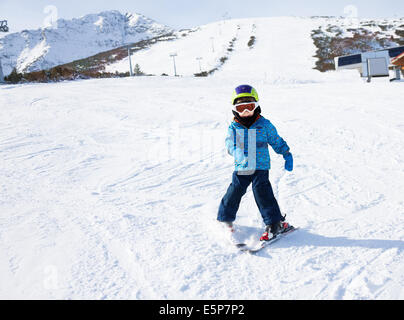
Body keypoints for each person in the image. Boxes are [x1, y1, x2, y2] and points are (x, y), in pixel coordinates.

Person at [217, 84, 294, 242]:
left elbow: (275, 140)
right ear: (235, 109)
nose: (245, 112)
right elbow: (229, 144)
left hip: (260, 166)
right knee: (235, 190)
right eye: (241, 108)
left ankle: (274, 223)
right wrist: (237, 152)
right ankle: (225, 217)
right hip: (243, 166)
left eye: (249, 107)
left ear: (256, 105)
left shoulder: (264, 125)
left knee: (262, 191)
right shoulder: (234, 127)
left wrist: (286, 153)